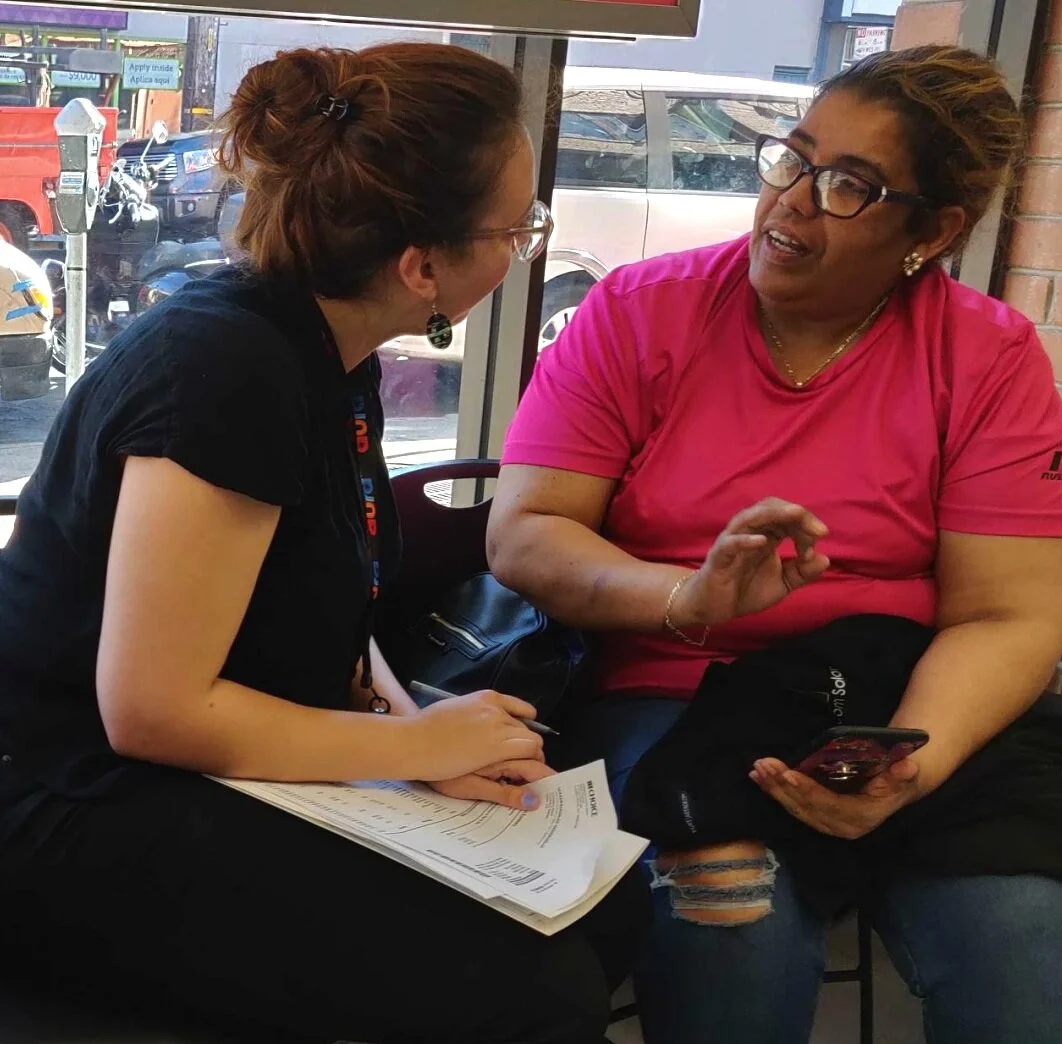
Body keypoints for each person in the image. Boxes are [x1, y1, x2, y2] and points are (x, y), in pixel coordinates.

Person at [0, 45, 646, 1044]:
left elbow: (320, 604)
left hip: (183, 765)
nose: (525, 245)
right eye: (517, 228)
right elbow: (150, 711)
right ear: (421, 267)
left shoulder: (320, 349)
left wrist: (412, 717)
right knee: (537, 992)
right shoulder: (228, 368)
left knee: (609, 903)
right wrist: (411, 746)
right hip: (67, 797)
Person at [488, 44, 1062, 1044]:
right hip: (674, 696)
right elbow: (526, 534)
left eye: (847, 185)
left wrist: (908, 772)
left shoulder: (985, 356)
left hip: (902, 712)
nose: (790, 202)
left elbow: (1008, 612)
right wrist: (685, 600)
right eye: (789, 158)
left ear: (930, 231)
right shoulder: (639, 311)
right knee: (730, 926)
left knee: (1021, 942)